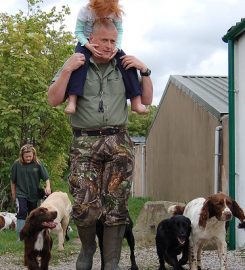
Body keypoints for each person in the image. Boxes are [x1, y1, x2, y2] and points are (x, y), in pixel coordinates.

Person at [48, 18, 153, 270]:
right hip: (85, 142)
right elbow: (53, 99)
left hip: (118, 140)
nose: (108, 46)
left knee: (116, 204)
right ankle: (87, 249)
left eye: (113, 41)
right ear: (90, 39)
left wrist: (145, 71)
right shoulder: (76, 62)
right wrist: (66, 70)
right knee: (85, 204)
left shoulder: (124, 65)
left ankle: (112, 262)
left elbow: (146, 100)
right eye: (103, 40)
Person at [65, 0, 150, 115]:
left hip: (109, 43)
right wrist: (87, 45)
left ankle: (136, 102)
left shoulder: (116, 12)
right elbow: (78, 31)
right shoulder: (85, 11)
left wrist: (117, 46)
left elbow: (119, 30)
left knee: (127, 63)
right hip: (85, 42)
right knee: (79, 63)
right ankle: (72, 101)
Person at [10, 144, 51, 238]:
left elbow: (46, 178)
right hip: (21, 193)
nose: (28, 158)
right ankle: (20, 237)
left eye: (30, 156)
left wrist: (48, 187)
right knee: (22, 212)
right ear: (22, 156)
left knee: (33, 214)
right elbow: (12, 181)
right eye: (26, 156)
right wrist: (13, 193)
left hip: (34, 194)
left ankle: (32, 235)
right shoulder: (17, 164)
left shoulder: (38, 164)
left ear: (33, 155)